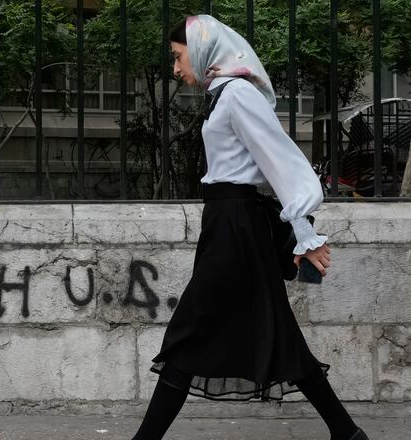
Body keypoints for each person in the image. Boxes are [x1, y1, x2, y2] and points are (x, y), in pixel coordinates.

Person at [131, 15, 369, 440]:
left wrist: (304, 233)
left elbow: (279, 161)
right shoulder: (223, 93)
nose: (175, 68)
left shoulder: (238, 94)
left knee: (190, 328)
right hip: (227, 223)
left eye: (178, 56)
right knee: (274, 330)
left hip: (235, 226)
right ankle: (347, 433)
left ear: (201, 49)